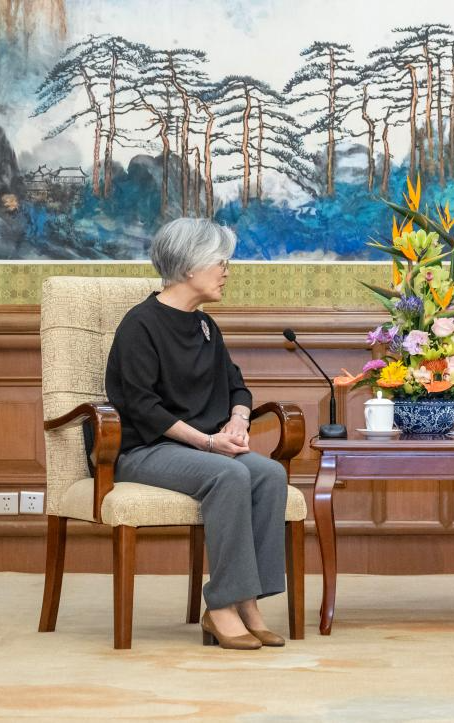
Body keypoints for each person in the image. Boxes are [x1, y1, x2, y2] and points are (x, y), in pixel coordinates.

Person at [105, 217, 289, 651]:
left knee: (270, 474)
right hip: (146, 450)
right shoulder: (140, 325)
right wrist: (208, 442)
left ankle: (247, 601)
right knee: (229, 473)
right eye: (219, 262)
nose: (226, 271)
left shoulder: (205, 325)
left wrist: (238, 420)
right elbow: (143, 407)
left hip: (201, 450)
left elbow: (237, 386)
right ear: (189, 266)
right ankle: (221, 605)